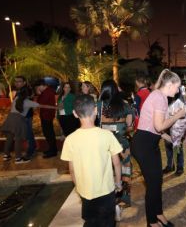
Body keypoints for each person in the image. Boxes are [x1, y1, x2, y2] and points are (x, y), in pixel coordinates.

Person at [131, 69, 186, 227]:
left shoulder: (156, 94)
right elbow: (159, 124)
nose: (177, 91)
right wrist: (178, 115)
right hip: (144, 145)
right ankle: (152, 222)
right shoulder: (160, 97)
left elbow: (151, 124)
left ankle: (159, 214)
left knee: (157, 182)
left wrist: (166, 137)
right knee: (153, 184)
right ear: (169, 85)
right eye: (177, 87)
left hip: (148, 142)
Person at [61, 94, 122, 227]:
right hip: (106, 190)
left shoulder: (70, 139)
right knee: (108, 222)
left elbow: (71, 169)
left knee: (90, 221)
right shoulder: (107, 135)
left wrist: (78, 187)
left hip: (85, 191)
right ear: (95, 110)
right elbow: (116, 163)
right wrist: (118, 182)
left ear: (75, 114)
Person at [99, 79, 133, 208]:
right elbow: (130, 126)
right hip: (122, 145)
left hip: (104, 145)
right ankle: (124, 197)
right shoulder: (125, 105)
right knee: (125, 169)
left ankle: (108, 199)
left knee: (107, 170)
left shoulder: (98, 105)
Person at [1, 86, 57, 163]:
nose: (33, 95)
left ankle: (6, 155)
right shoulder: (28, 102)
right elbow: (44, 106)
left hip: (10, 118)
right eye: (32, 93)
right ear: (28, 95)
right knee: (18, 139)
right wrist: (56, 107)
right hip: (18, 119)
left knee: (9, 138)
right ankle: (18, 159)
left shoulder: (16, 99)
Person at [14, 76, 37, 159]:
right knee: (28, 133)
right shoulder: (21, 90)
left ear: (24, 82)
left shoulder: (25, 90)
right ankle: (33, 149)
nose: (17, 83)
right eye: (16, 81)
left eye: (19, 81)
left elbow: (22, 104)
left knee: (28, 134)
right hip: (24, 115)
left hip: (26, 116)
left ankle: (30, 152)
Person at [34, 79, 58, 158]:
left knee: (49, 133)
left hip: (47, 115)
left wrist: (38, 94)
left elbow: (39, 102)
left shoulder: (47, 92)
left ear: (41, 85)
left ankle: (53, 151)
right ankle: (51, 149)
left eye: (38, 87)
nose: (38, 89)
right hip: (47, 115)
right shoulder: (48, 91)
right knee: (48, 133)